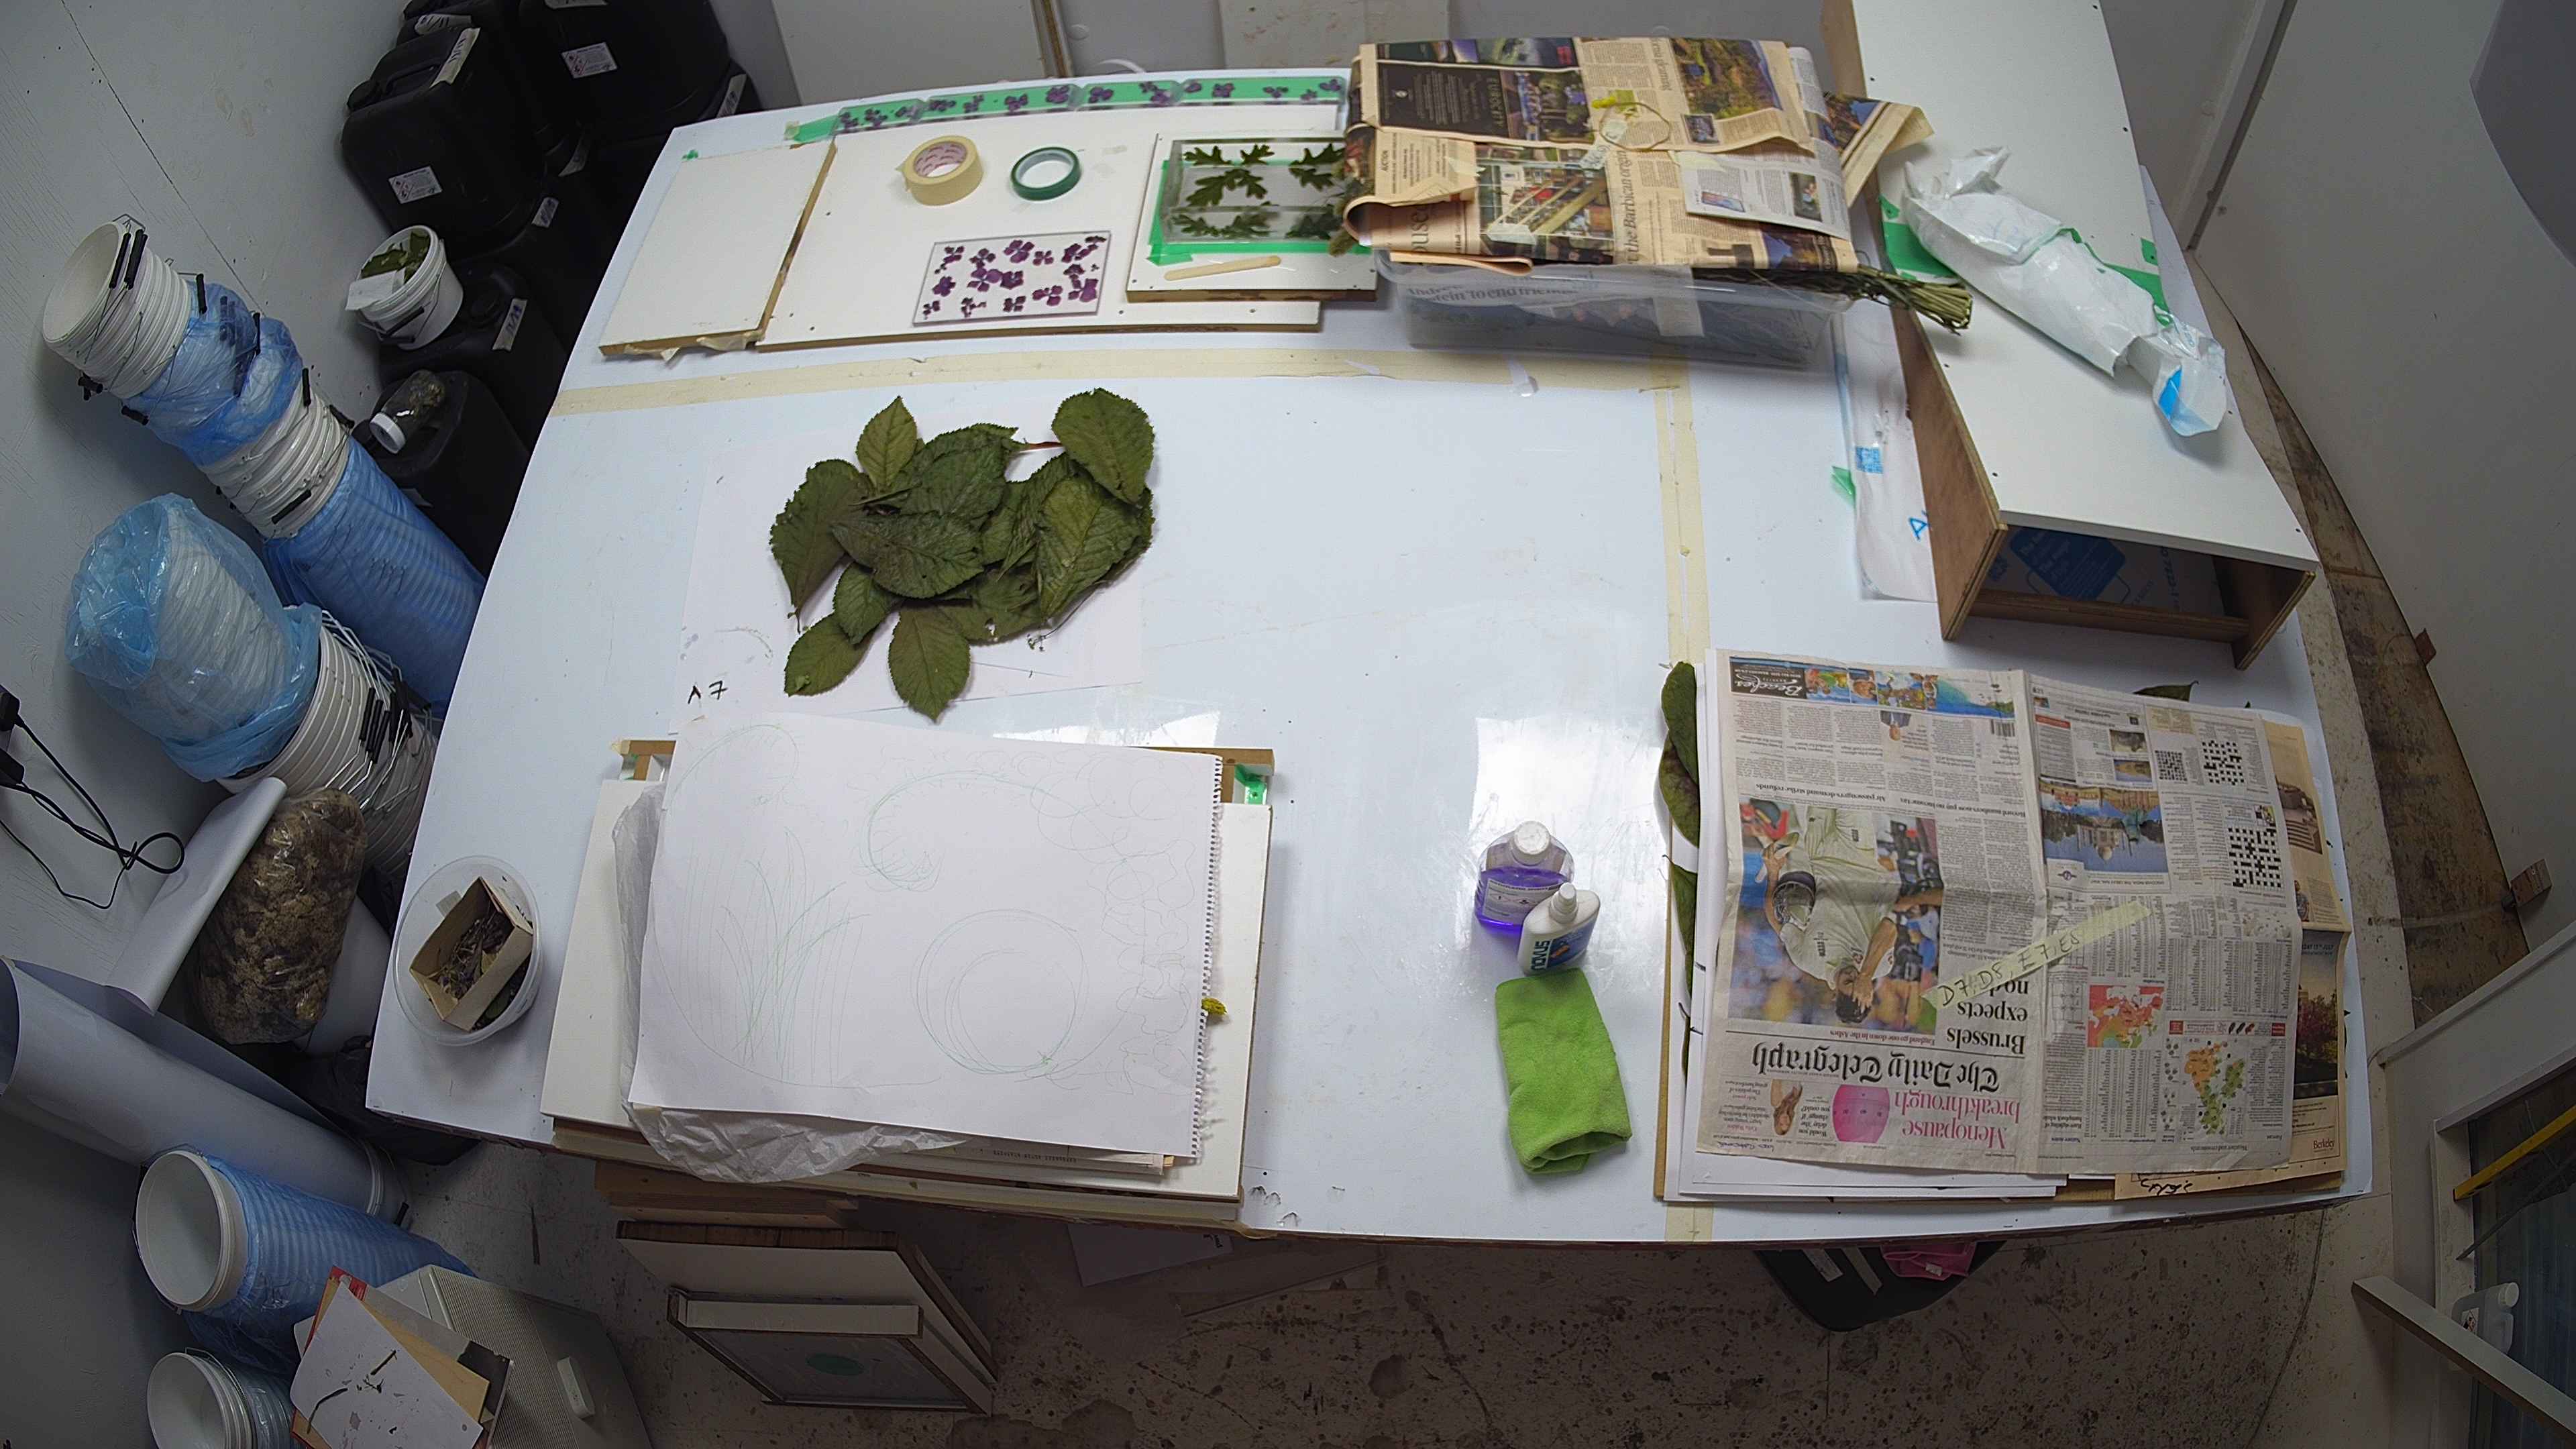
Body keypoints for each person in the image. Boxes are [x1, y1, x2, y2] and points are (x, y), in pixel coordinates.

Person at [1762, 806, 1941, 1025]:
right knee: (1851, 794)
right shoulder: (1880, 967)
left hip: (1819, 855)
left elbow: (1776, 921)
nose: (1853, 974)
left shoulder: (1809, 961)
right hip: (1859, 856)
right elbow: (1889, 927)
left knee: (1818, 791)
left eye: (1848, 981)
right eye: (1858, 980)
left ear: (1835, 993)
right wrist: (1866, 974)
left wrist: (1773, 873)